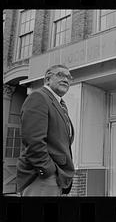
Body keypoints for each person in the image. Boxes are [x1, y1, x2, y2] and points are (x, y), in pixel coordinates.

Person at [16, 64, 75, 196]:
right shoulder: (38, 97)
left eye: (69, 77)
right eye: (60, 75)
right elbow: (33, 141)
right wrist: (48, 171)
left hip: (57, 177)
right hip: (42, 178)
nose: (66, 79)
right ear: (47, 79)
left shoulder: (60, 104)